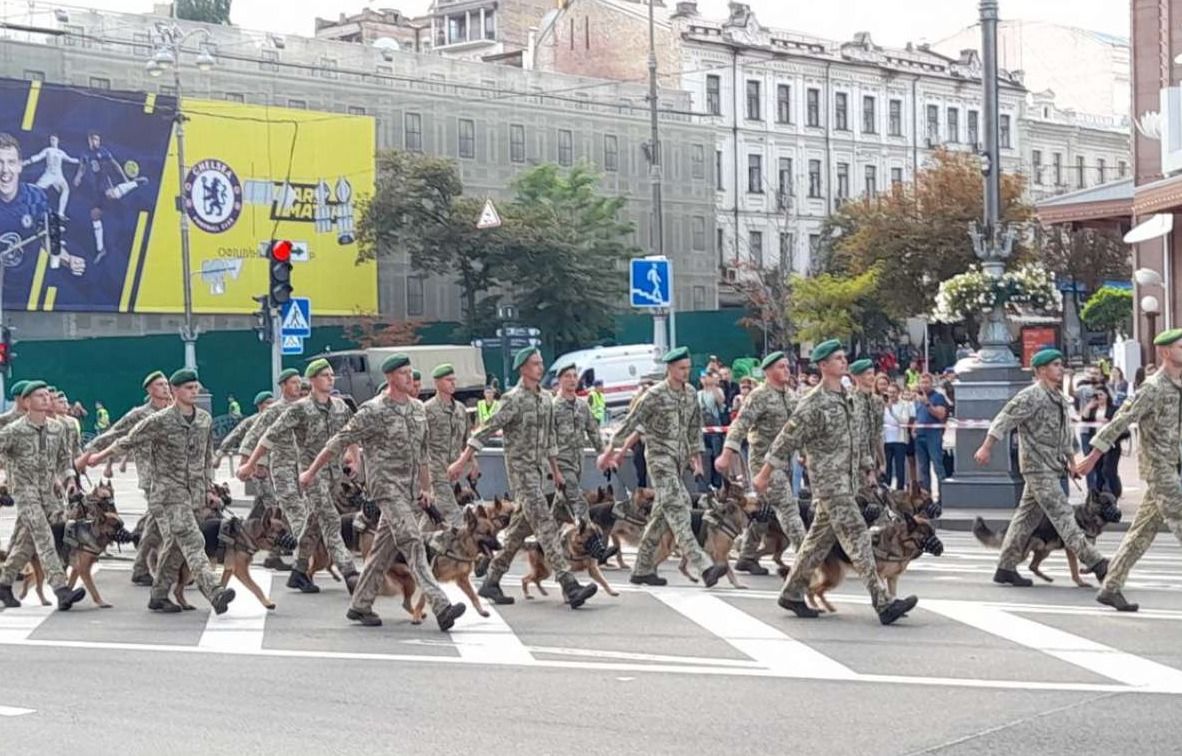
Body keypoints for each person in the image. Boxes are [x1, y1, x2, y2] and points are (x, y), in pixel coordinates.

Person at [753, 339, 917, 625]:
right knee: (858, 537)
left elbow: (856, 439)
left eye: (844, 357)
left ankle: (792, 592)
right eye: (837, 358)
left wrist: (867, 467)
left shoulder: (848, 398)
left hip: (848, 482)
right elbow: (785, 440)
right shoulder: (813, 403)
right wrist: (765, 474)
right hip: (830, 484)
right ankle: (883, 603)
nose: (843, 362)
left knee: (815, 543)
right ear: (823, 365)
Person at [303, 354, 467, 630]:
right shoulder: (373, 411)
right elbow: (338, 441)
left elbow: (423, 454)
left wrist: (426, 487)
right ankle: (441, 605)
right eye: (403, 373)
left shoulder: (417, 410)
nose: (409, 377)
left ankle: (360, 605)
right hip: (386, 489)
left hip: (409, 491)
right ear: (390, 378)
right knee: (413, 542)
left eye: (410, 372)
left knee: (382, 550)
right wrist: (310, 472)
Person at [450, 347, 599, 609]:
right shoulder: (513, 399)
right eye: (535, 364)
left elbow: (549, 440)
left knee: (520, 529)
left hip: (541, 473)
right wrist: (463, 460)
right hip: (522, 474)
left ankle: (492, 579)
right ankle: (569, 584)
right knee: (545, 525)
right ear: (523, 368)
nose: (540, 368)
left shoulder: (545, 399)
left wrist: (555, 470)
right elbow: (487, 429)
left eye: (541, 363)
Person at [86, 370, 236, 614]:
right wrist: (98, 457)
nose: (193, 392)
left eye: (195, 387)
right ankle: (214, 591)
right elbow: (127, 439)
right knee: (192, 539)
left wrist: (210, 486)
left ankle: (158, 594)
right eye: (188, 388)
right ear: (176, 391)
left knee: (175, 545)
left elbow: (206, 454)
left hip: (195, 492)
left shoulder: (204, 419)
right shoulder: (160, 420)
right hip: (168, 492)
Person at [973, 348, 1109, 588]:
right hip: (1037, 468)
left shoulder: (1058, 398)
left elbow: (1065, 435)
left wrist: (1071, 461)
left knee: (1024, 520)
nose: (1061, 368)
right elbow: (1004, 419)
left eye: (1060, 364)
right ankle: (1097, 563)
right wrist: (986, 447)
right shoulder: (1031, 396)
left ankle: (1005, 567)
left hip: (1052, 467)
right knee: (1064, 515)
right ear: (1041, 370)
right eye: (1056, 365)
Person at [597, 347, 729, 589]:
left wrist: (695, 458)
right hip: (659, 461)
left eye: (688, 368)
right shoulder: (654, 395)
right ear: (669, 369)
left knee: (660, 515)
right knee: (679, 508)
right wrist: (610, 451)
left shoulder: (690, 393)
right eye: (681, 369)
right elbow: (631, 422)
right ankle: (703, 566)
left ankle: (642, 569)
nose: (685, 373)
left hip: (678, 462)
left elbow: (693, 428)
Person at [1077, 329, 1182, 612]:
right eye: (1181, 347)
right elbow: (1121, 420)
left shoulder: (1177, 385)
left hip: (1173, 465)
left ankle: (1110, 587)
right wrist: (1092, 456)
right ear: (1165, 352)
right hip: (1159, 469)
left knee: (1141, 533)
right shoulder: (1153, 388)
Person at [238, 360, 360, 594]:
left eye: (332, 375)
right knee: (329, 520)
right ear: (312, 380)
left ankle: (299, 570)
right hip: (301, 473)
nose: (331, 378)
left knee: (312, 521)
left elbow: (350, 433)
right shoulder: (297, 409)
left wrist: (354, 458)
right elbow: (266, 436)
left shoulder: (340, 407)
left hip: (331, 474)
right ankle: (350, 572)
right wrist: (251, 464)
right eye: (325, 375)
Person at [717, 351, 807, 575]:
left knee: (764, 511)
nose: (786, 370)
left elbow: (799, 429)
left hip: (785, 461)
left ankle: (746, 555)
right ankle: (808, 559)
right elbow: (740, 425)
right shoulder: (759, 396)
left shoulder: (792, 396)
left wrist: (805, 453)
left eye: (787, 366)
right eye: (780, 367)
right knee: (788, 507)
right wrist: (727, 454)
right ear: (768, 372)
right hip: (762, 462)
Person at [79, 370, 173, 585]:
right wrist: (90, 452)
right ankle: (166, 569)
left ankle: (141, 567)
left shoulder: (172, 411)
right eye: (160, 384)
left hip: (174, 476)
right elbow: (115, 433)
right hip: (152, 477)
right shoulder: (139, 414)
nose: (165, 388)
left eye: (166, 384)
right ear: (150, 390)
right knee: (164, 522)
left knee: (155, 523)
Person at [0, 381, 88, 611]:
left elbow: (63, 458)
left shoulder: (57, 428)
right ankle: (61, 589)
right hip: (25, 491)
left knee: (27, 541)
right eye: (39, 396)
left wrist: (69, 479)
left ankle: (4, 582)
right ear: (27, 402)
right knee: (43, 536)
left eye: (47, 395)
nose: (45, 399)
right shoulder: (13, 431)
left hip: (50, 492)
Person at [236, 369, 314, 577]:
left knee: (285, 514)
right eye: (293, 383)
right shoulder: (274, 410)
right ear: (283, 386)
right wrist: (248, 463)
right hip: (281, 468)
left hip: (301, 468)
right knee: (298, 515)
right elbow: (254, 435)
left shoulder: (304, 408)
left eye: (300, 383)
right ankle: (302, 567)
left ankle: (273, 554)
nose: (298, 386)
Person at [422, 363, 477, 530]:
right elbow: (420, 443)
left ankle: (415, 545)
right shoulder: (427, 410)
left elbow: (467, 440)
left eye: (454, 380)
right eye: (448, 380)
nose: (453, 383)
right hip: (436, 472)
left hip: (454, 472)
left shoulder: (460, 409)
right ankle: (469, 547)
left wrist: (472, 462)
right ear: (437, 383)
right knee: (455, 515)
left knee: (433, 513)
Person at [551, 361, 606, 524]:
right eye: (567, 376)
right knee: (578, 501)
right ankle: (592, 539)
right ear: (560, 380)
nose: (572, 380)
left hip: (577, 463)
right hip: (561, 463)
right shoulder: (553, 408)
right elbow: (547, 440)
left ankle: (548, 540)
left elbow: (593, 431)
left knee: (560, 506)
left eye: (575, 376)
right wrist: (553, 470)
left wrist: (604, 455)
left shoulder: (582, 406)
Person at [23, 134, 80, 216]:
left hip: (59, 176)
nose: (52, 141)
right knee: (37, 190)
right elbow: (38, 157)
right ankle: (30, 209)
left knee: (66, 190)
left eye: (54, 139)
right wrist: (27, 161)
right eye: (51, 140)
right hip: (49, 174)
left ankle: (61, 213)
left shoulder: (61, 152)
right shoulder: (48, 150)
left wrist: (80, 161)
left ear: (57, 140)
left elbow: (70, 159)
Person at [1080, 386, 1121, 495]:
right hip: (1096, 443)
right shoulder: (1094, 409)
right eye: (1097, 395)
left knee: (1109, 470)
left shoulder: (1114, 408)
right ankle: (1099, 494)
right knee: (1098, 470)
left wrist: (1108, 421)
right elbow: (1084, 418)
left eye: (1101, 394)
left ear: (1107, 395)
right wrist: (1089, 405)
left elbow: (1119, 423)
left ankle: (1114, 493)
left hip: (1111, 444)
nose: (1099, 397)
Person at [913, 374, 948, 495]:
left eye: (927, 382)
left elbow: (941, 414)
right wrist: (914, 428)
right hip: (920, 435)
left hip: (933, 435)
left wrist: (927, 403)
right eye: (922, 382)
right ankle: (926, 497)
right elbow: (917, 416)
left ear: (932, 383)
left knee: (937, 465)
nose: (924, 385)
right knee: (923, 469)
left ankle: (943, 497)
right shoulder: (918, 398)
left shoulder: (938, 397)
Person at [849, 359, 885, 482]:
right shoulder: (849, 400)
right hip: (853, 460)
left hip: (871, 458)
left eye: (872, 373)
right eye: (868, 374)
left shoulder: (877, 401)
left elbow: (878, 434)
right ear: (857, 377)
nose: (872, 377)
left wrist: (882, 462)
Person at [697, 370, 727, 489]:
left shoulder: (717, 391)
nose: (705, 379)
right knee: (704, 455)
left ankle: (717, 483)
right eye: (703, 377)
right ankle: (705, 483)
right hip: (702, 427)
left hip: (715, 428)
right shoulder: (698, 394)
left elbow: (721, 402)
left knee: (716, 455)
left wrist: (714, 385)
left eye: (707, 377)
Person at [882, 382, 913, 490]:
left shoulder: (904, 405)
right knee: (887, 466)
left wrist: (892, 412)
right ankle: (886, 487)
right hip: (887, 439)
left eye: (894, 392)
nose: (891, 395)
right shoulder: (883, 405)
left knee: (900, 466)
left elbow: (904, 421)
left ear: (898, 393)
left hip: (899, 439)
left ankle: (900, 489)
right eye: (889, 392)